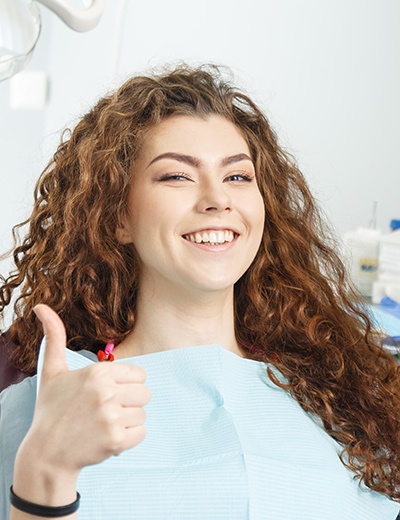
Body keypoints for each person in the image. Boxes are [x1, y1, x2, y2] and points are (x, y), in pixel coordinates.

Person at [0, 64, 399, 520]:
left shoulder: (345, 398)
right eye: (176, 176)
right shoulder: (45, 405)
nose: (217, 199)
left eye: (237, 177)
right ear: (117, 218)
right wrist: (45, 469)